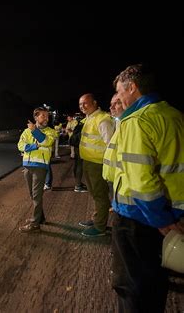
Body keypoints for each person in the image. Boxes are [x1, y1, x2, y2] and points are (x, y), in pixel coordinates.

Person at [107, 64, 184, 313]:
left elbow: (142, 184)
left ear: (133, 87)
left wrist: (162, 223)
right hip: (173, 211)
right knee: (155, 284)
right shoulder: (173, 114)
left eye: (120, 92)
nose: (118, 98)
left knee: (131, 290)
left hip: (138, 220)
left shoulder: (136, 122)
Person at [78, 93, 115, 237]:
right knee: (94, 194)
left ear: (94, 102)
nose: (82, 107)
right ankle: (97, 218)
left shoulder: (102, 120)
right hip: (88, 162)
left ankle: (100, 227)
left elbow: (110, 144)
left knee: (100, 195)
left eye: (85, 103)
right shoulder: (90, 118)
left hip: (98, 164)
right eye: (80, 105)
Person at [17, 107, 56, 232]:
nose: (46, 118)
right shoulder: (26, 131)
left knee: (37, 195)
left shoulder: (50, 131)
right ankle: (40, 218)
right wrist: (33, 146)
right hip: (27, 166)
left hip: (40, 167)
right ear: (36, 117)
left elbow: (46, 141)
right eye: (43, 115)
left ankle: (35, 224)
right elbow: (20, 145)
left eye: (47, 116)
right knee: (33, 195)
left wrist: (34, 131)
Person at [69, 116, 87, 193]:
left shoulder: (80, 123)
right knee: (79, 165)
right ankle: (78, 185)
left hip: (76, 145)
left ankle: (78, 182)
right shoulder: (86, 123)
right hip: (80, 146)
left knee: (77, 164)